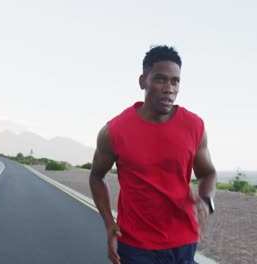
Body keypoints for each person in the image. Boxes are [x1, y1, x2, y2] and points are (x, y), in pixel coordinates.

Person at [89, 45, 217, 264]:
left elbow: (208, 173)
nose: (169, 88)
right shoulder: (114, 131)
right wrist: (109, 223)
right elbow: (96, 177)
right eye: (160, 79)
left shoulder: (194, 126)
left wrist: (207, 201)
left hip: (183, 241)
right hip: (136, 245)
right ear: (143, 81)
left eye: (175, 81)